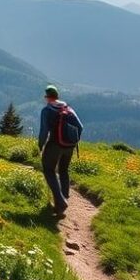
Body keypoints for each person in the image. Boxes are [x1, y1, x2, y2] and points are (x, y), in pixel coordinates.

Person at [37, 85, 83, 218]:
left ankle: (60, 201)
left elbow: (44, 131)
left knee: (49, 170)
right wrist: (74, 141)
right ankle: (64, 198)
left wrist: (40, 146)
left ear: (47, 97)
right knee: (63, 170)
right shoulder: (68, 108)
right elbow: (80, 126)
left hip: (54, 145)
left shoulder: (47, 110)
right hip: (69, 146)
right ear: (57, 96)